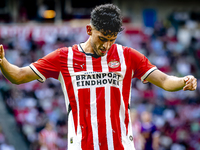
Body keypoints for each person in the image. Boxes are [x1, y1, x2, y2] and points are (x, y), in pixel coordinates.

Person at [0, 4, 197, 150]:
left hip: (120, 146)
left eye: (111, 40)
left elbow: (163, 80)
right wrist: (2, 63)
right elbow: (19, 76)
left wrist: (182, 82)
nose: (106, 46)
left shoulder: (127, 56)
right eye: (102, 39)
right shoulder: (64, 57)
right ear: (89, 30)